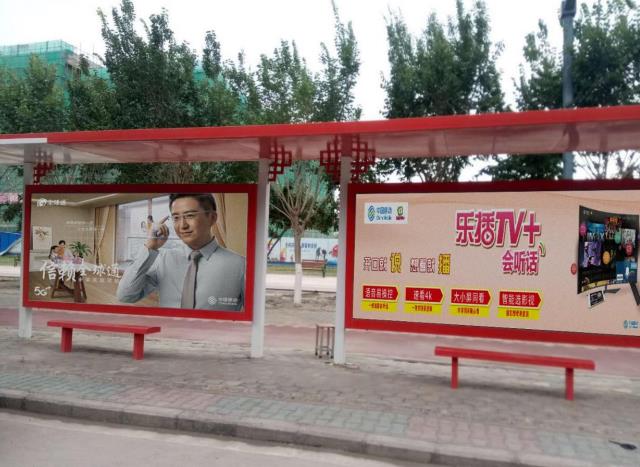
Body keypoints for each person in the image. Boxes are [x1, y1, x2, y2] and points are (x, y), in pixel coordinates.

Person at [117, 193, 245, 311]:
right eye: (176, 218)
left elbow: (253, 318)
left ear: (212, 218)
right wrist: (150, 246)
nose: (182, 225)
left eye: (190, 215)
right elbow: (125, 295)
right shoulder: (163, 259)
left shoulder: (241, 265)